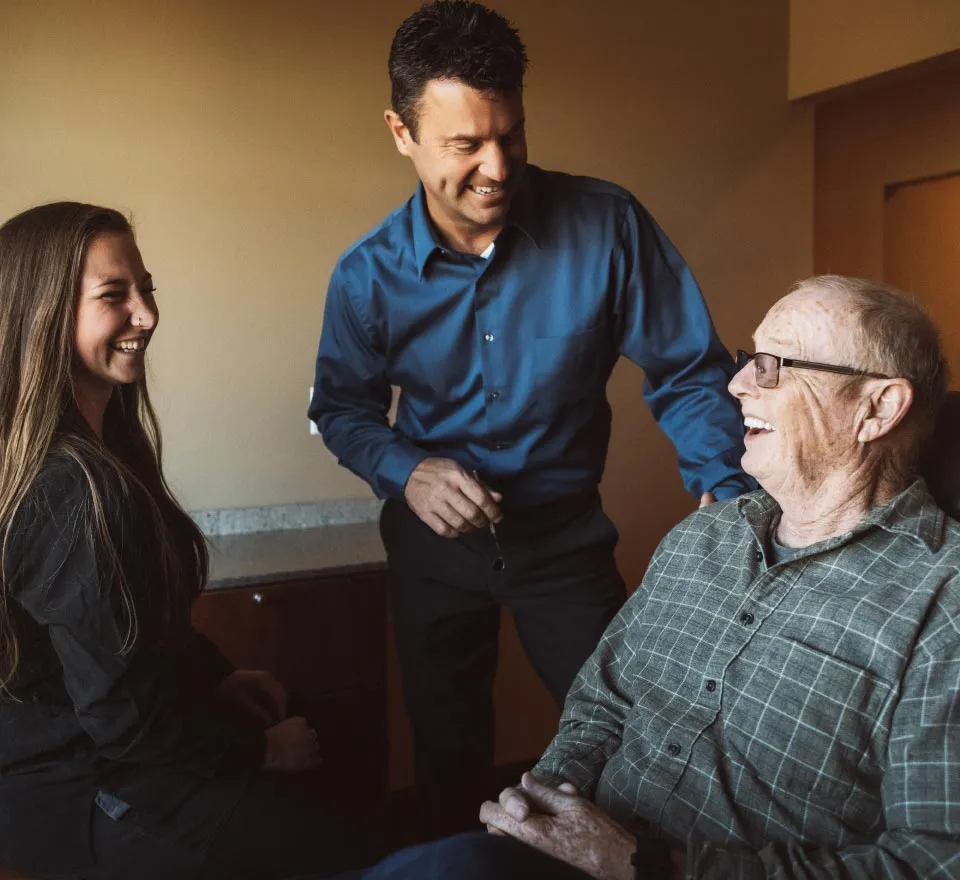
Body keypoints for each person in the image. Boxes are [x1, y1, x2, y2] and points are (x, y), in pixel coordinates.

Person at [309, 0, 753, 836]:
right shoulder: (364, 276)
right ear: (401, 134)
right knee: (445, 750)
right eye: (464, 144)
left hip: (567, 545)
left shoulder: (610, 225)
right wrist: (408, 469)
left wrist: (725, 489)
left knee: (635, 743)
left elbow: (691, 370)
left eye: (510, 135)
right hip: (432, 552)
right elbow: (341, 409)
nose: (497, 166)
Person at [356, 275, 960, 879]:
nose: (736, 383)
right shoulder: (703, 536)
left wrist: (650, 867)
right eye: (751, 359)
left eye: (774, 366)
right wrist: (543, 805)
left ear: (877, 408)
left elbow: (931, 863)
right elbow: (601, 703)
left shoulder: (943, 602)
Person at [0, 202, 366, 880]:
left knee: (329, 734)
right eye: (115, 296)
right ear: (44, 316)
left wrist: (219, 676)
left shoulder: (108, 451)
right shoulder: (68, 490)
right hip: (86, 796)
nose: (147, 314)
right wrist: (256, 748)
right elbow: (126, 721)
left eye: (147, 290)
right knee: (341, 852)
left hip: (121, 764)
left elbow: (138, 630)